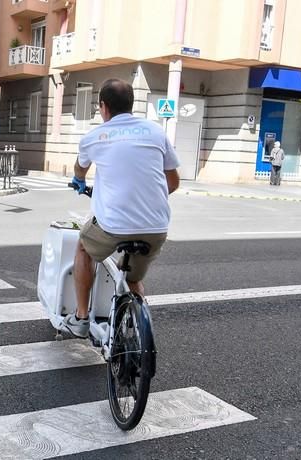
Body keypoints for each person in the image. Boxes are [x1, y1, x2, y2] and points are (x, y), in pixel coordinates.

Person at [65, 78, 181, 338]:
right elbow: (173, 182)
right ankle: (141, 328)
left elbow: (79, 169)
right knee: (132, 277)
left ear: (103, 107)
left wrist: (79, 181)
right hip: (156, 227)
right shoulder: (155, 132)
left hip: (113, 226)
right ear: (131, 105)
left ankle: (82, 317)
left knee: (83, 247)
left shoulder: (94, 137)